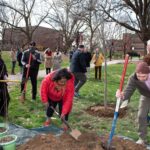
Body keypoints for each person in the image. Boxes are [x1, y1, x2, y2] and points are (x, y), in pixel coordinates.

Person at [116, 62, 150, 145]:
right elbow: (128, 91)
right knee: (141, 115)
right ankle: (142, 138)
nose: (141, 78)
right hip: (146, 95)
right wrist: (121, 96)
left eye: (144, 76)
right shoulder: (133, 78)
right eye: (139, 76)